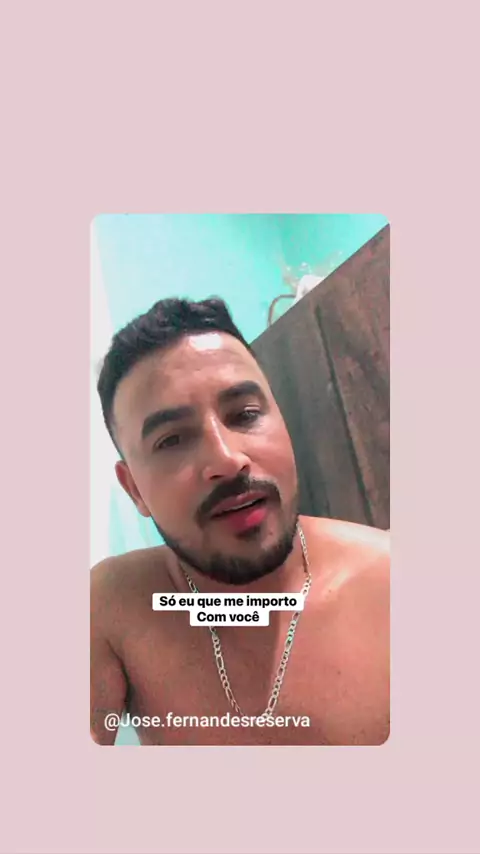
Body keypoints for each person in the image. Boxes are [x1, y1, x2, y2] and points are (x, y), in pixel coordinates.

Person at [91, 297, 390, 746]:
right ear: (134, 489)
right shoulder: (113, 608)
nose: (228, 460)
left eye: (246, 415)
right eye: (171, 440)